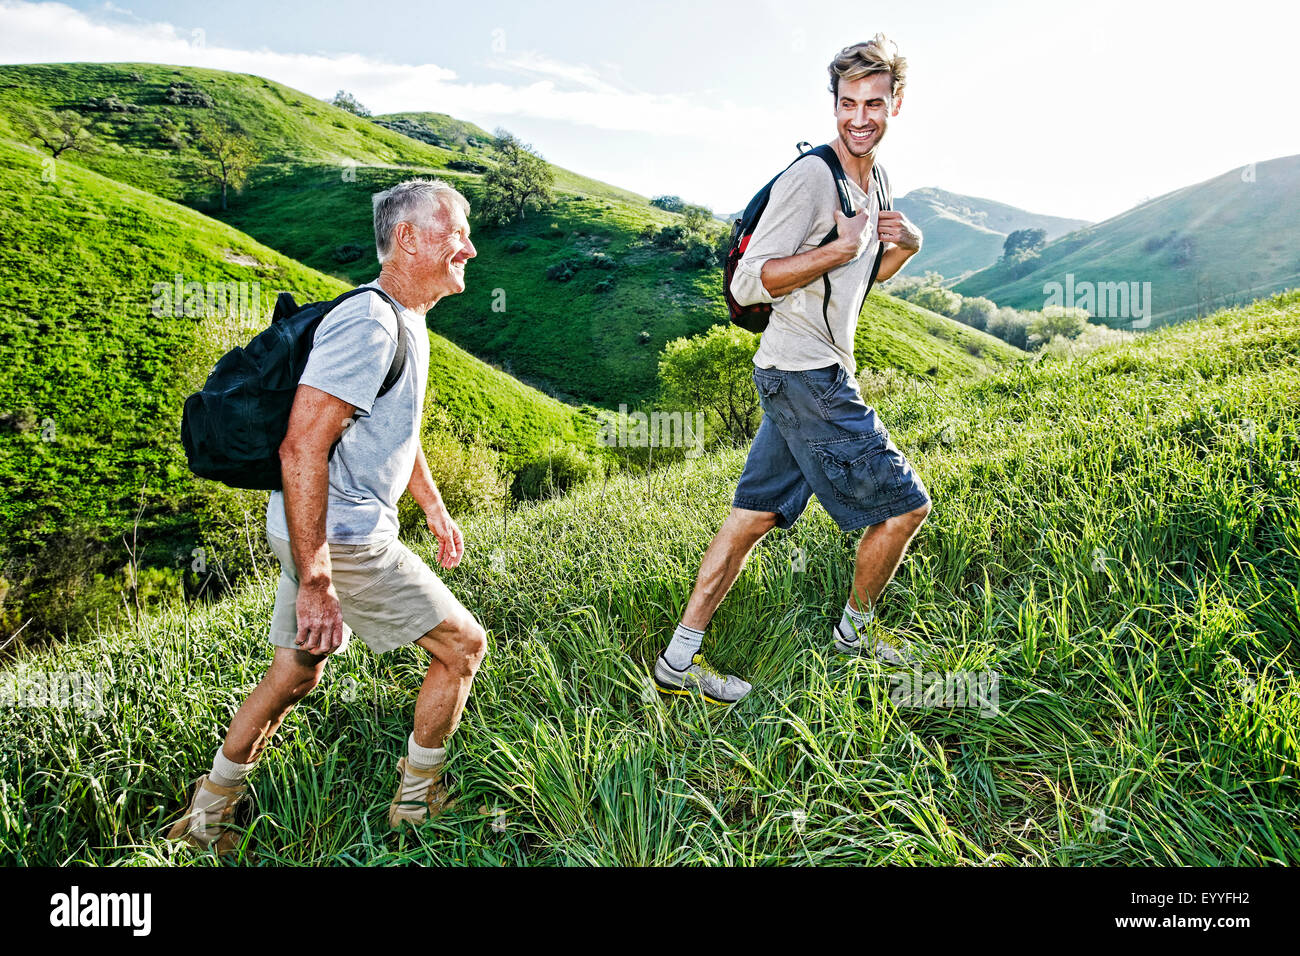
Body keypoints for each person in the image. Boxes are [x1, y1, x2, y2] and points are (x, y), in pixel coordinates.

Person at [167, 179, 485, 854]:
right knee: (462, 648)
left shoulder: (403, 318)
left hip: (308, 529)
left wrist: (431, 506)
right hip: (340, 539)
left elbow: (393, 425)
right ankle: (417, 803)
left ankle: (207, 818)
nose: (471, 247)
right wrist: (317, 580)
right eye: (457, 232)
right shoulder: (370, 324)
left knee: (296, 670)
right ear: (409, 239)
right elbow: (302, 446)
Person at [655, 36, 932, 705]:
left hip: (798, 372)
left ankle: (676, 662)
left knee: (749, 519)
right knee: (904, 509)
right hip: (808, 378)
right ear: (832, 104)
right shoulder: (812, 179)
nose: (858, 116)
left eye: (873, 102)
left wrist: (905, 248)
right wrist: (837, 247)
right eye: (846, 103)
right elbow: (752, 283)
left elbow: (860, 280)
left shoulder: (876, 179)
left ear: (897, 103)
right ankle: (853, 641)